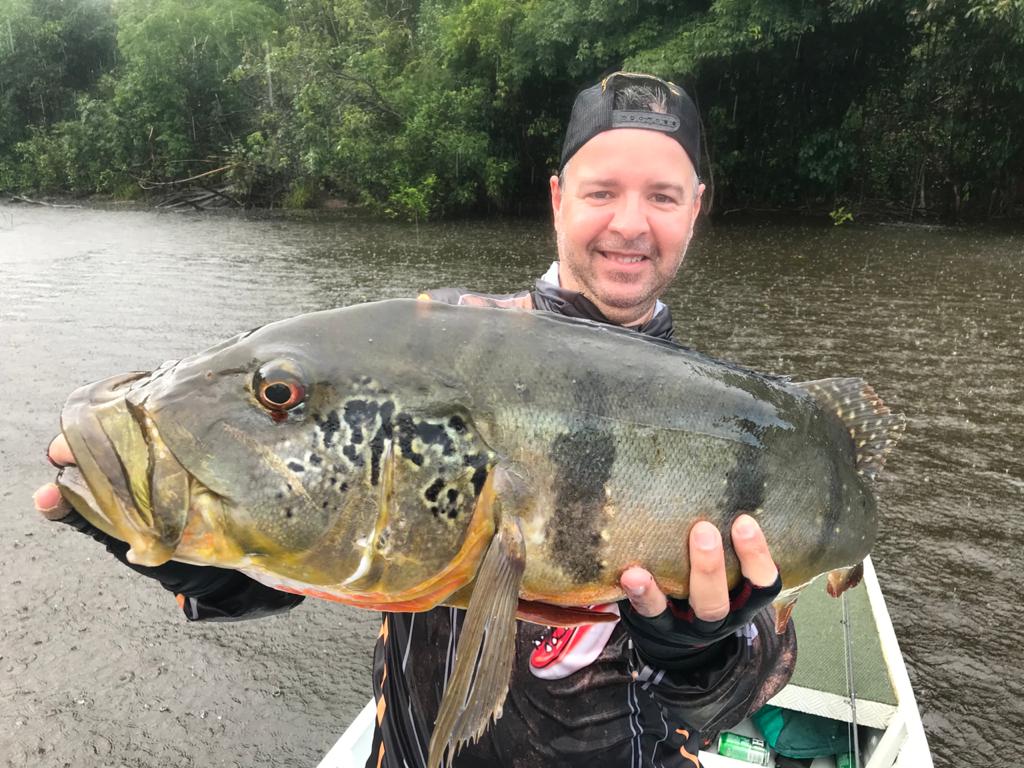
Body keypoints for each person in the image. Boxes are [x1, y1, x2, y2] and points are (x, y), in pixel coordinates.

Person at [33, 72, 796, 767]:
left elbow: (730, 701)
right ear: (559, 197)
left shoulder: (745, 424)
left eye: (662, 196)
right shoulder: (424, 348)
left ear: (696, 207)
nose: (630, 222)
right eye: (603, 192)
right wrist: (186, 544)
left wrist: (700, 650)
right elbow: (307, 568)